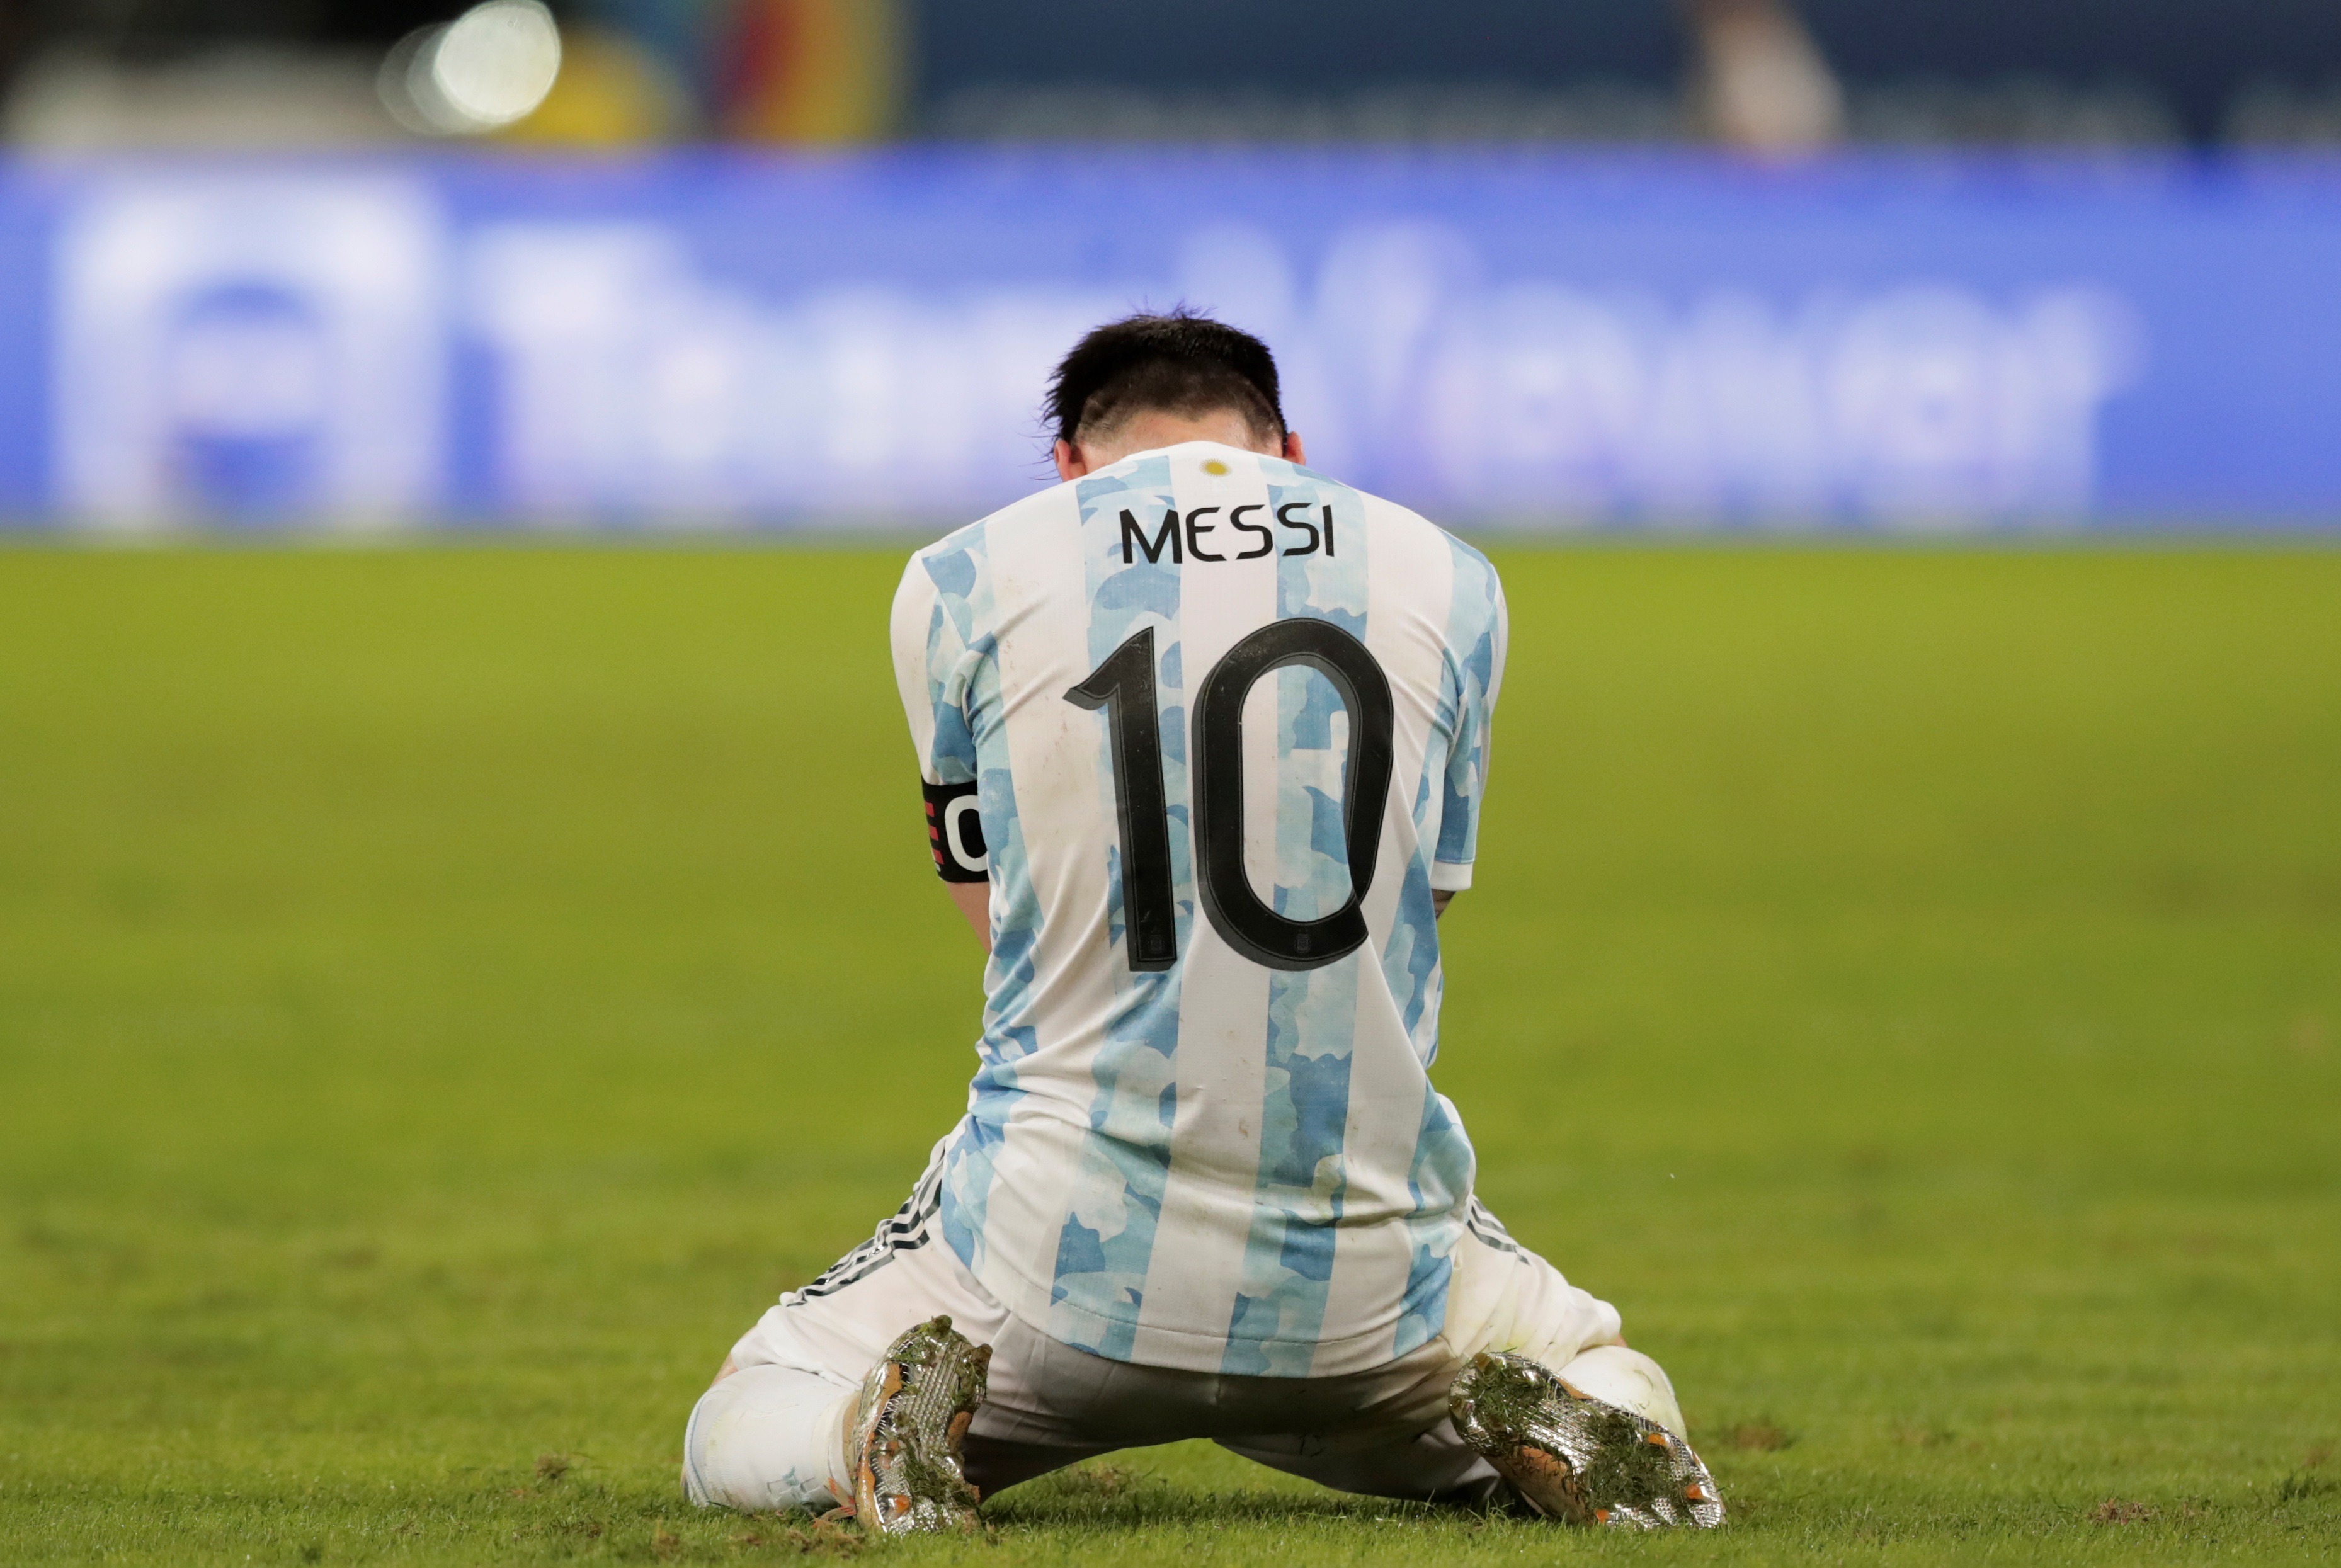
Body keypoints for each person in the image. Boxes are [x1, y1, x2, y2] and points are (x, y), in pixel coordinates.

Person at [680, 311, 1723, 1533]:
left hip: (1049, 1270)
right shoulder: (1453, 577)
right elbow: (1416, 909)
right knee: (1589, 1353)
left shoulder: (956, 579)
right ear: (1287, 447)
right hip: (1366, 1275)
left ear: (1068, 462)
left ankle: (861, 1438)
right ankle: (1587, 1430)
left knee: (746, 1401)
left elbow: (1002, 919)